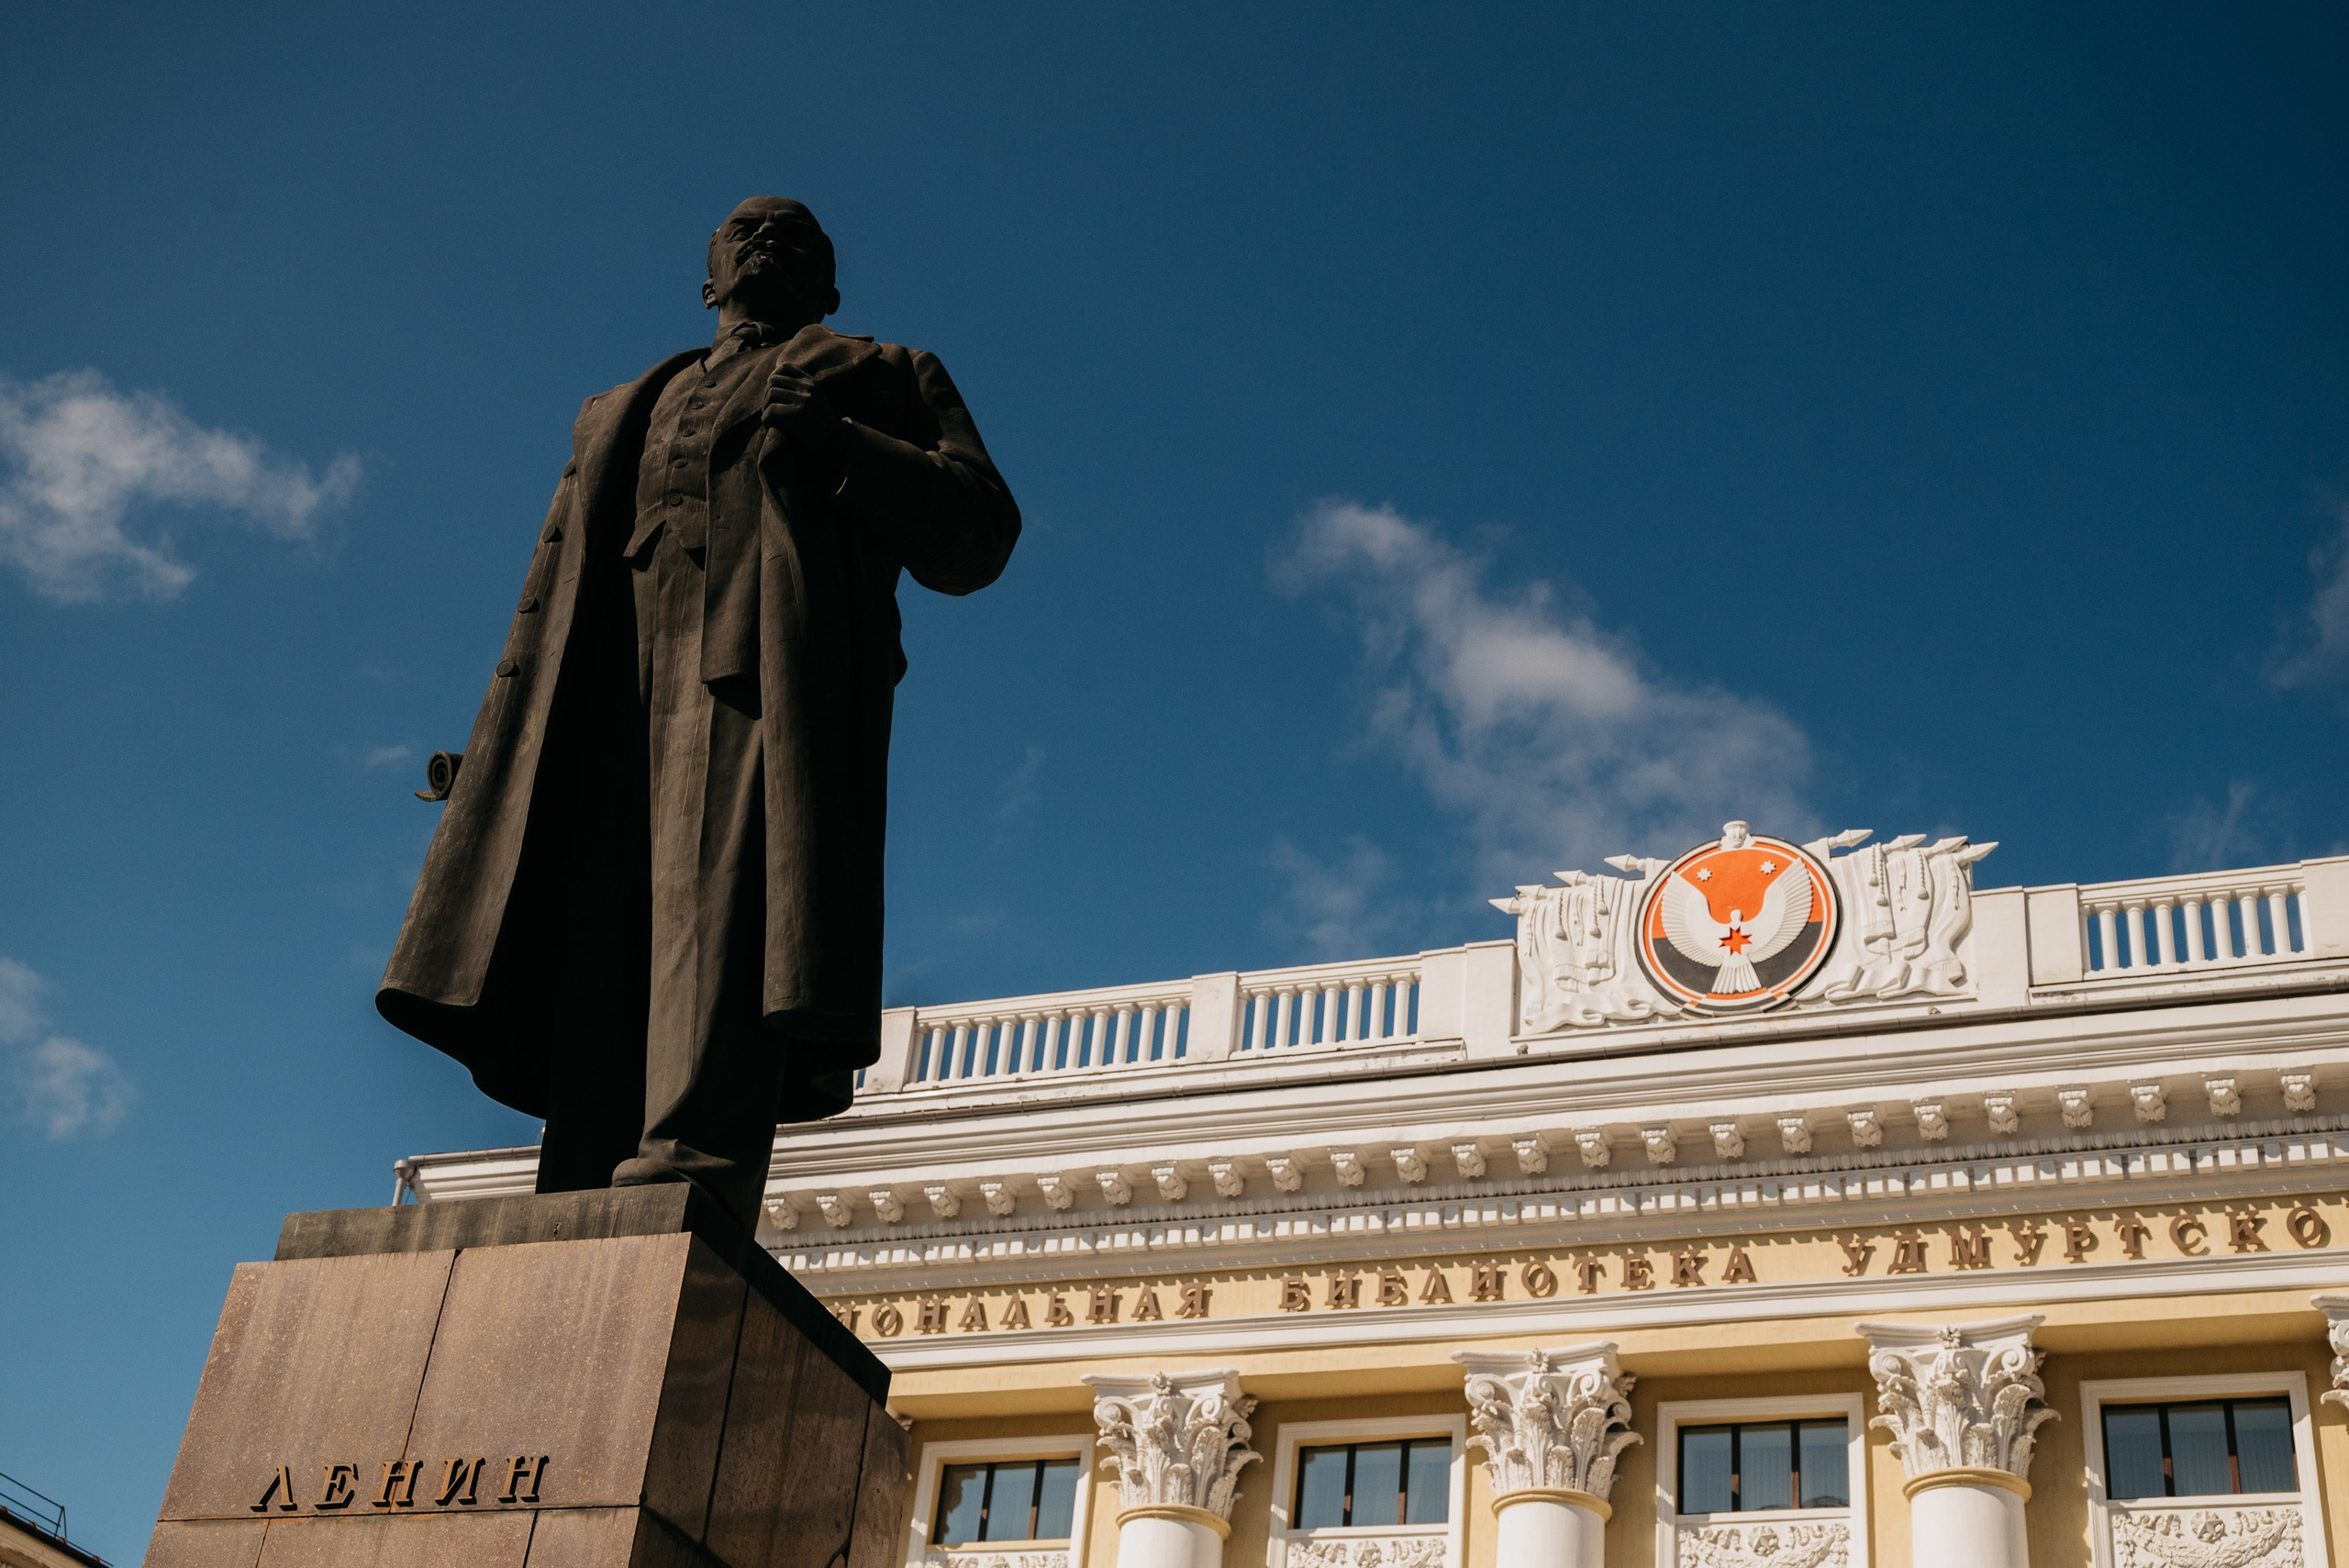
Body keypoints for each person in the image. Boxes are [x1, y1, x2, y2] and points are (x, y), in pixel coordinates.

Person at [376, 197, 1020, 1230]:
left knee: (723, 915)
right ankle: (584, 1161)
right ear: (708, 280)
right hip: (605, 682)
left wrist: (840, 443)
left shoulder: (886, 373)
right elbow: (549, 590)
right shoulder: (616, 408)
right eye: (744, 232)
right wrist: (503, 746)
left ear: (830, 291)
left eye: (798, 238)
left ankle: (690, 1159)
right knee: (600, 923)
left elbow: (981, 533)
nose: (768, 240)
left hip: (763, 678)